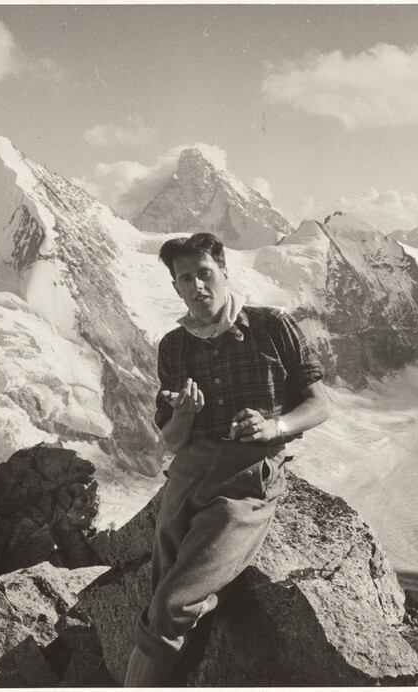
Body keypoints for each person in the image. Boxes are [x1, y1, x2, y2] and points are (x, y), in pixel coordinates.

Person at [124, 232, 330, 686]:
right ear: (176, 287)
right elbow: (173, 440)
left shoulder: (273, 327)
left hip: (248, 476)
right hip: (190, 469)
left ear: (223, 272)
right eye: (185, 279)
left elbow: (320, 404)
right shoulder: (174, 347)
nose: (198, 286)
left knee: (173, 602)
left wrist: (273, 427)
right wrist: (182, 414)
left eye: (205, 274)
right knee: (165, 592)